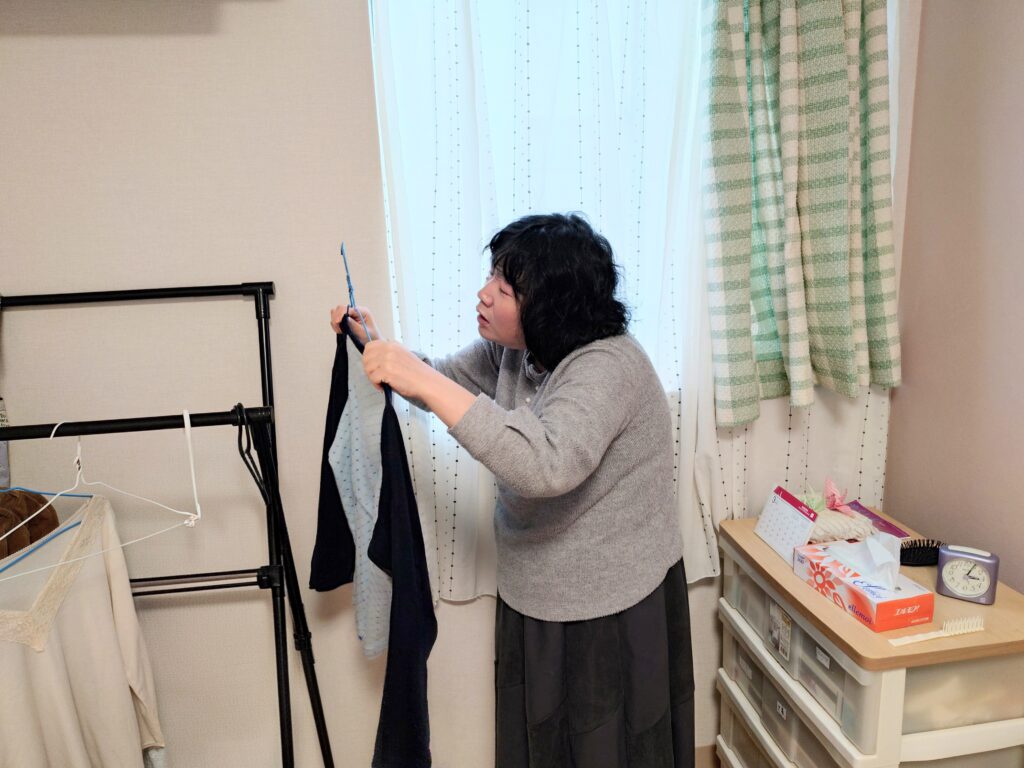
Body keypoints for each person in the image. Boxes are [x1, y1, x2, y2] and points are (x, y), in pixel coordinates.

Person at [331, 213, 694, 768]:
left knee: (606, 746)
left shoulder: (609, 366)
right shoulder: (517, 351)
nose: (484, 294)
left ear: (551, 306)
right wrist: (377, 348)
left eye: (504, 290)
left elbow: (543, 465)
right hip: (537, 586)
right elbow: (442, 382)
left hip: (610, 600)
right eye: (492, 277)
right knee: (540, 740)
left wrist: (416, 376)